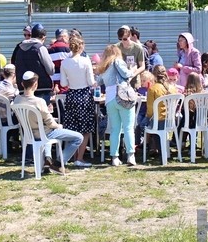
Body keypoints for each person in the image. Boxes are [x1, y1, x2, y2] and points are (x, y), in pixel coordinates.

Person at [14, 71, 84, 174]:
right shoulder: (39, 102)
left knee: (46, 131)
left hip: (29, 134)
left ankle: (48, 159)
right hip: (45, 133)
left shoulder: (17, 100)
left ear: (22, 84)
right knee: (78, 137)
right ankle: (58, 164)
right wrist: (58, 125)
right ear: (35, 84)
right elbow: (50, 123)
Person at [97, 44, 138, 166]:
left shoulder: (104, 67)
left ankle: (114, 157)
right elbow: (127, 74)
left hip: (109, 99)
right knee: (128, 128)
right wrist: (133, 70)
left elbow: (98, 81)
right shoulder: (118, 61)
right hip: (122, 96)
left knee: (115, 129)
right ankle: (131, 156)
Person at [59, 35, 95, 167]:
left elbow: (63, 82)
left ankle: (73, 156)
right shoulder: (86, 61)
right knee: (85, 129)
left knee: (73, 128)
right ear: (81, 47)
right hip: (84, 95)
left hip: (71, 95)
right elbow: (91, 81)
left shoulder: (64, 62)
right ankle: (79, 158)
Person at [12, 23, 55, 105]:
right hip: (41, 89)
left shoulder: (19, 48)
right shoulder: (40, 48)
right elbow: (51, 70)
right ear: (43, 37)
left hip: (23, 89)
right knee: (41, 116)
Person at [143, 65, 177, 157]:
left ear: (153, 75)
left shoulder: (152, 89)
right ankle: (160, 150)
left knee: (142, 125)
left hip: (159, 120)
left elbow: (150, 110)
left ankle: (146, 147)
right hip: (171, 121)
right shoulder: (173, 88)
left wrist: (147, 118)